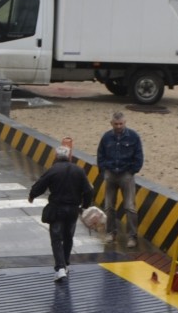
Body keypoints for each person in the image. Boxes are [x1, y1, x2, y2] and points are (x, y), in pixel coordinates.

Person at [28, 147, 93, 281]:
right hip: (73, 210)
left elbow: (40, 185)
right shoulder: (79, 170)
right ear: (70, 157)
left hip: (57, 209)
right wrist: (85, 206)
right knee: (68, 237)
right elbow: (88, 190)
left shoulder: (53, 170)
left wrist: (32, 196)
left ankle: (60, 268)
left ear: (55, 156)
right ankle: (66, 264)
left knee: (56, 238)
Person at [97, 110, 144, 247]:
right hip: (111, 174)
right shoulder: (106, 138)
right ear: (111, 123)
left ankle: (132, 237)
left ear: (125, 123)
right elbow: (100, 155)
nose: (118, 126)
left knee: (130, 207)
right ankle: (111, 233)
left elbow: (139, 156)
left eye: (121, 124)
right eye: (116, 124)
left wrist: (132, 171)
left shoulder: (134, 137)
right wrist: (104, 170)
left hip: (126, 175)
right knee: (109, 207)